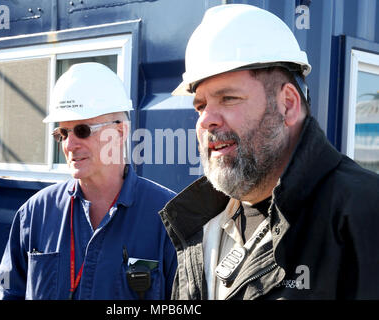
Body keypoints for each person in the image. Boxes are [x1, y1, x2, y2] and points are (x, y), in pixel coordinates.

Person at [160, 4, 379, 299]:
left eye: (228, 98)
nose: (205, 119)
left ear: (287, 104)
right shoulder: (202, 225)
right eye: (200, 105)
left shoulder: (362, 213)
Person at [0, 62, 177, 300]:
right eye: (62, 133)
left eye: (82, 130)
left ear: (119, 133)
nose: (69, 145)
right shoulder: (34, 214)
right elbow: (10, 292)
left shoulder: (169, 217)